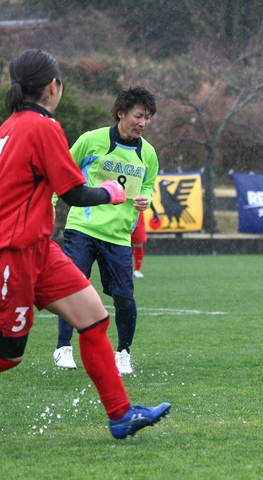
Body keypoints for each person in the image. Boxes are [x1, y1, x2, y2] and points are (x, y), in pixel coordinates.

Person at [0, 49, 170, 438]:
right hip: (14, 250)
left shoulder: (11, 126)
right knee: (8, 357)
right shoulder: (41, 127)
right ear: (53, 86)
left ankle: (121, 414)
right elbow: (74, 192)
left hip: (39, 249)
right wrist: (110, 191)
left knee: (93, 317)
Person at [53, 86, 159, 375]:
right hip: (82, 227)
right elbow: (62, 170)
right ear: (120, 113)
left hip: (118, 236)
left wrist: (145, 199)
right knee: (73, 286)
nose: (143, 123)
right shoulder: (91, 140)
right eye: (138, 116)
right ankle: (63, 347)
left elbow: (148, 185)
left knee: (124, 297)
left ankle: (123, 354)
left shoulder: (148, 153)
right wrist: (49, 205)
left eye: (148, 118)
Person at [131, 208, 157, 278]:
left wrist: (154, 210)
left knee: (139, 244)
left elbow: (147, 198)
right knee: (123, 244)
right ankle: (124, 269)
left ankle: (137, 270)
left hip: (139, 217)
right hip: (126, 216)